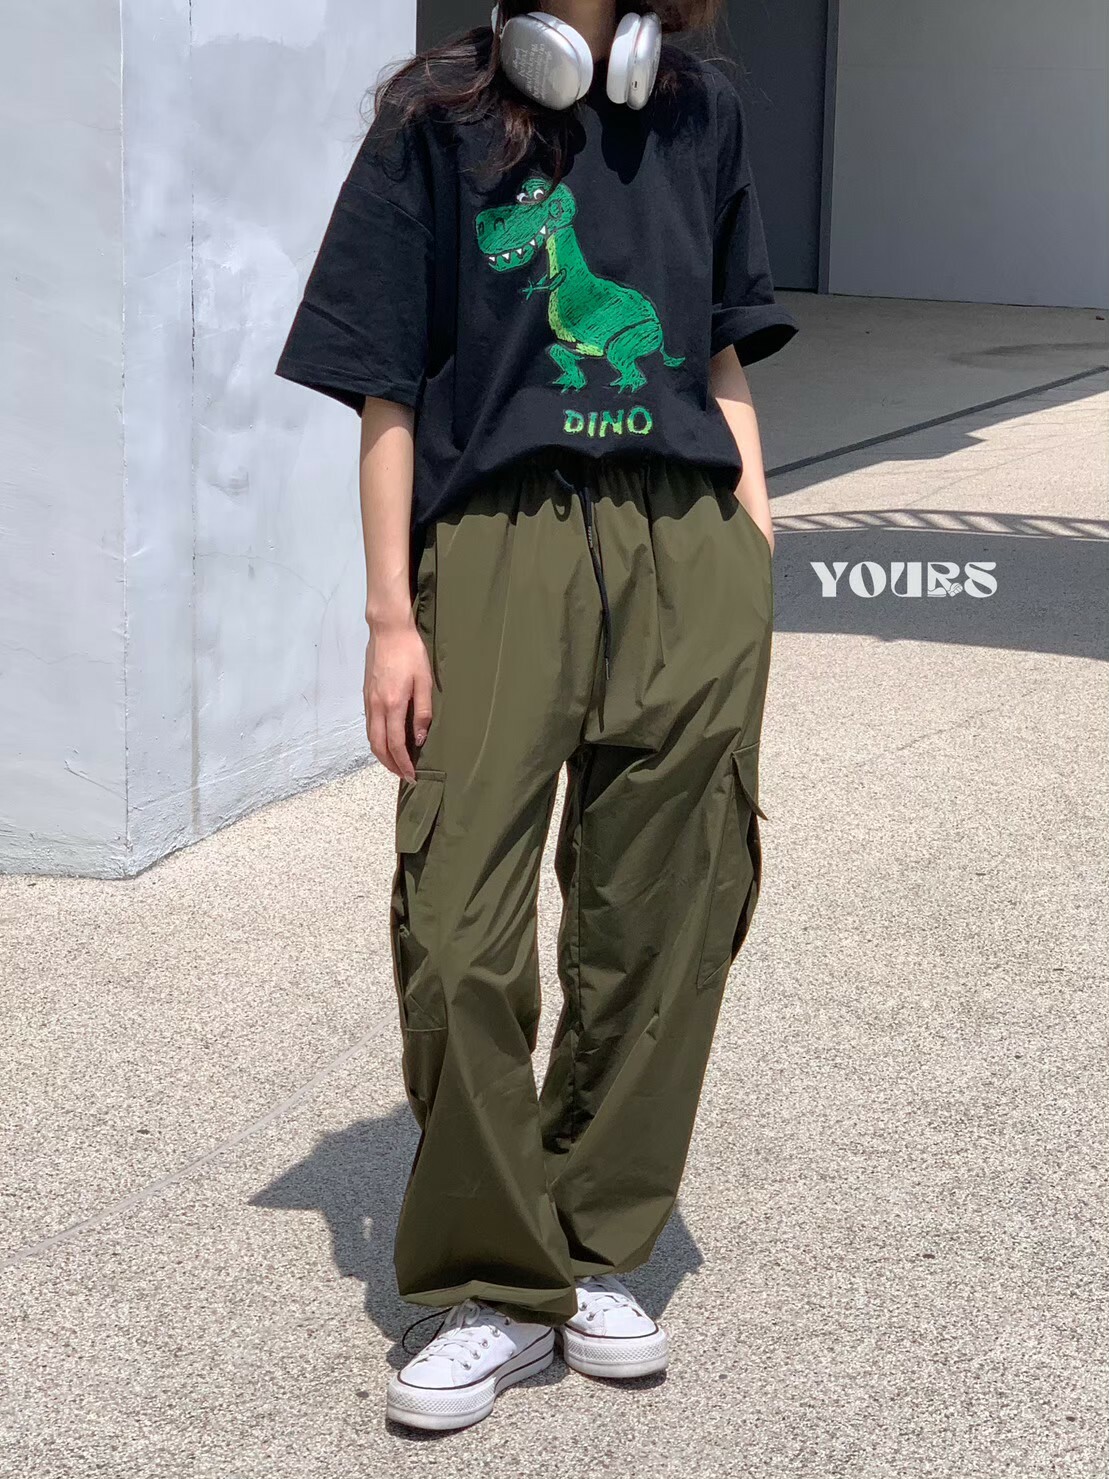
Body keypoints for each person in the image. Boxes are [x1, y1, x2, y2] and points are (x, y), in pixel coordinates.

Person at [276, 0, 797, 1433]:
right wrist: (392, 618)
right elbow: (384, 388)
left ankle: (594, 1244)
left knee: (667, 917)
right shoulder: (434, 117)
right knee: (457, 927)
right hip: (499, 547)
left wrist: (753, 547)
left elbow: (722, 354)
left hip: (686, 544)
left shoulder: (697, 109)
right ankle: (493, 1285)